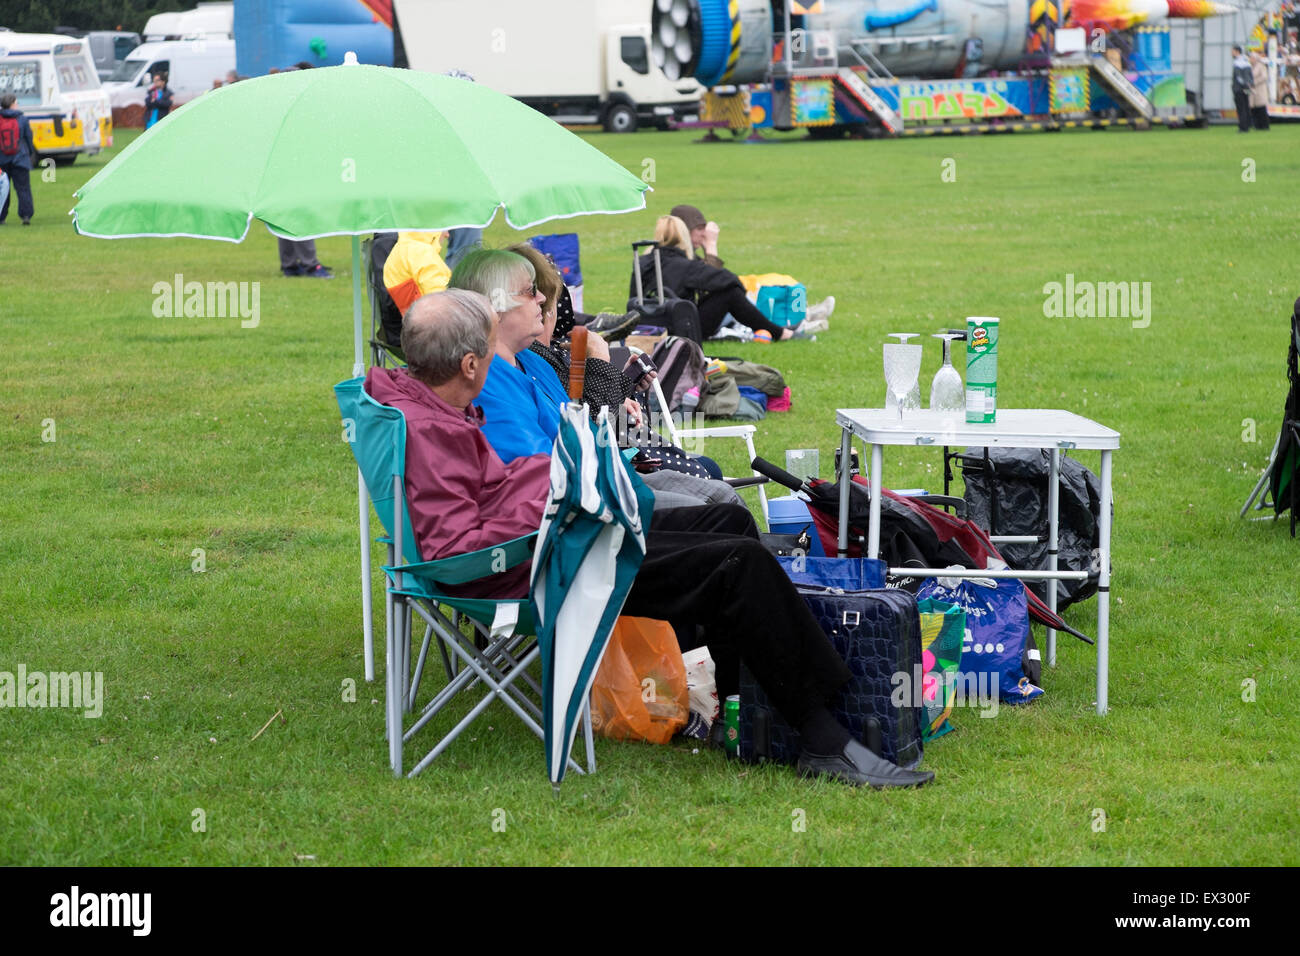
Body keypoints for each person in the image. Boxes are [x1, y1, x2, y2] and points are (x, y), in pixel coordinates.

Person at [362, 288, 934, 789]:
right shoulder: (431, 429)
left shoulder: (424, 400)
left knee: (726, 530)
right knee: (738, 566)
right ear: (467, 364)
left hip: (561, 537)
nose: (493, 364)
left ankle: (748, 713)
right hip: (545, 565)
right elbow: (457, 548)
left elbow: (489, 492)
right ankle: (821, 736)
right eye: (487, 353)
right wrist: (555, 503)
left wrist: (559, 482)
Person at [451, 248, 734, 507]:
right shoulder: (488, 382)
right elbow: (551, 466)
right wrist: (599, 360)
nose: (541, 301)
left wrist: (621, 391)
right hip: (582, 505)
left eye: (544, 296)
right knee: (719, 504)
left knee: (719, 494)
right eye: (530, 292)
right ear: (495, 305)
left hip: (606, 475)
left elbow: (590, 429)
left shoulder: (532, 361)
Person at [508, 242, 723, 481]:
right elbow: (594, 426)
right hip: (603, 470)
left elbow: (600, 413)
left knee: (707, 469)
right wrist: (600, 359)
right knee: (707, 475)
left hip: (617, 452)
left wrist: (626, 387)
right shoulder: (535, 359)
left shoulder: (550, 354)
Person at [634, 215, 804, 341]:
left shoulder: (642, 263)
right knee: (730, 293)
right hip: (682, 329)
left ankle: (777, 329)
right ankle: (780, 333)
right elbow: (728, 279)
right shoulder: (685, 265)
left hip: (648, 330)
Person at [670, 202, 835, 328]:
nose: (703, 234)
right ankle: (798, 324)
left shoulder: (684, 255)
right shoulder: (677, 259)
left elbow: (713, 280)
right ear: (683, 230)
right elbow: (713, 284)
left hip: (695, 316)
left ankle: (805, 315)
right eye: (698, 229)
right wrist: (711, 247)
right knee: (737, 296)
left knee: (748, 291)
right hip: (692, 321)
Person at [383, 231, 452, 316]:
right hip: (433, 323)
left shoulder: (403, 248)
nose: (447, 235)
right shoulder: (421, 254)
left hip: (416, 323)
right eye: (444, 228)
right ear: (434, 230)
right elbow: (441, 302)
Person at [0, 93, 37, 225]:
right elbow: (28, 138)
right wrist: (30, 153)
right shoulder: (22, 119)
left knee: (3, 189)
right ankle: (26, 215)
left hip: (2, 160)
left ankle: (1, 216)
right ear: (12, 104)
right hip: (20, 158)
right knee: (23, 188)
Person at [1231, 46, 1253, 132]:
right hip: (1247, 88)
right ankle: (1248, 124)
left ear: (1237, 52)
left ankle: (1243, 127)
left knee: (1241, 107)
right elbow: (1251, 77)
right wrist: (1250, 85)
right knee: (1246, 106)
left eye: (1232, 51)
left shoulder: (1237, 63)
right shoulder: (1247, 62)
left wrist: (1242, 85)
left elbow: (1238, 77)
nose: (1231, 53)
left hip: (1239, 88)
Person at [1250, 49, 1271, 131]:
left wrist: (1255, 82)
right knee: (1254, 109)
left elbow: (1264, 77)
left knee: (1261, 109)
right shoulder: (1251, 67)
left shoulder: (1261, 66)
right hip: (1253, 92)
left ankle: (1265, 126)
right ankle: (1257, 126)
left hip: (1260, 90)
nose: (1250, 59)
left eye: (1251, 58)